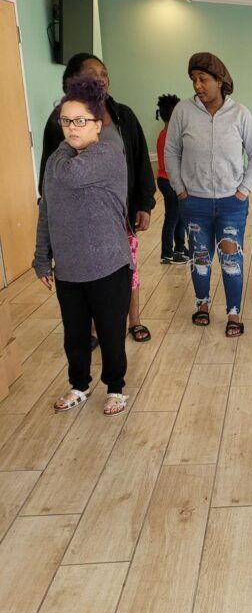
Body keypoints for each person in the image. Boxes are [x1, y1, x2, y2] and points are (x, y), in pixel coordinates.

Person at [40, 53, 155, 344]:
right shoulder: (58, 123)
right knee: (88, 276)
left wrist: (144, 203)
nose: (102, 79)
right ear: (74, 82)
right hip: (77, 221)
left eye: (104, 73)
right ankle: (92, 330)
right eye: (93, 74)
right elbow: (49, 173)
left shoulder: (123, 115)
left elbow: (140, 159)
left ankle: (133, 321)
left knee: (125, 269)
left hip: (118, 214)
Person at [34, 77, 133, 415]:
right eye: (65, 121)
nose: (71, 128)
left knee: (111, 332)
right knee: (74, 336)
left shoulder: (107, 155)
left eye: (80, 121)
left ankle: (116, 388)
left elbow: (71, 175)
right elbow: (46, 209)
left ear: (98, 124)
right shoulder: (57, 160)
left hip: (108, 266)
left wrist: (60, 151)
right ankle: (79, 385)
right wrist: (42, 257)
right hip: (69, 268)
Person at [164, 52, 252, 337]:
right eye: (194, 79)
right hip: (194, 202)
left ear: (220, 81)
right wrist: (180, 189)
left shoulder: (240, 114)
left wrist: (243, 191)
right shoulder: (183, 112)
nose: (198, 85)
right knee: (200, 256)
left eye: (203, 79)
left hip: (232, 203)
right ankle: (202, 305)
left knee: (231, 260)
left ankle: (233, 312)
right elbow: (171, 152)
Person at [155, 93, 186, 264]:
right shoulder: (169, 135)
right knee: (173, 217)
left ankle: (180, 248)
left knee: (179, 216)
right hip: (168, 181)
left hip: (169, 181)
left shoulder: (167, 133)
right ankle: (167, 253)